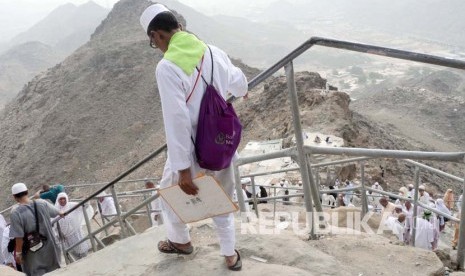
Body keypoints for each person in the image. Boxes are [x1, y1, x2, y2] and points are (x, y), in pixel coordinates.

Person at [140, 3, 247, 271]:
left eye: (154, 42)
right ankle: (230, 255)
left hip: (193, 152)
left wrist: (183, 169)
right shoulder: (213, 51)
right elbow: (241, 84)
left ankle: (181, 241)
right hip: (221, 144)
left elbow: (176, 121)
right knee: (221, 197)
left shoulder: (167, 67)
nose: (157, 47)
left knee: (168, 193)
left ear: (157, 35)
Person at [9, 183, 62, 275]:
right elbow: (57, 213)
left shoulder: (15, 213)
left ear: (14, 197)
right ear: (27, 192)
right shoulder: (42, 203)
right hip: (50, 248)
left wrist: (18, 253)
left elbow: (19, 237)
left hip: (32, 254)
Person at [54, 192, 90, 260]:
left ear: (66, 199)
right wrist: (58, 234)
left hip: (76, 232)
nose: (62, 200)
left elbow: (84, 206)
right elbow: (54, 225)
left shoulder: (71, 205)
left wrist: (86, 199)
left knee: (82, 250)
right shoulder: (56, 210)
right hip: (65, 236)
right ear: (58, 200)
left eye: (64, 199)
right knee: (72, 253)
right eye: (60, 199)